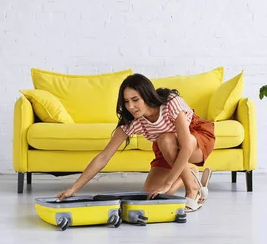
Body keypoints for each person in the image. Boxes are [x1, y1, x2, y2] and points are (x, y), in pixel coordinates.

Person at [56, 73, 216, 212]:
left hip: (194, 137)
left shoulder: (170, 102)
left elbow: (187, 146)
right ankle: (189, 173)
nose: (131, 107)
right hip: (166, 149)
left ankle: (192, 188)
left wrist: (167, 183)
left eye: (135, 100)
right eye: (126, 101)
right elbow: (103, 157)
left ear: (146, 96)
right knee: (151, 195)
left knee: (165, 139)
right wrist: (74, 188)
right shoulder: (132, 122)